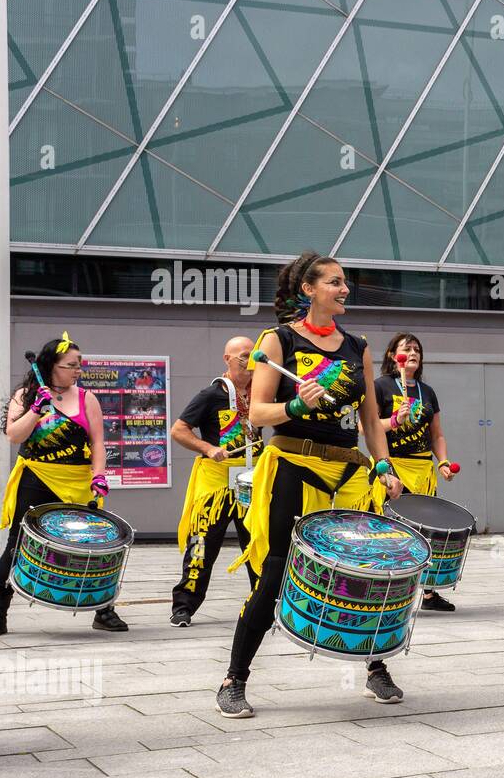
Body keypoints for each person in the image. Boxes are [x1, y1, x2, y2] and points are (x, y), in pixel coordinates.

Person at [216, 252, 404, 718]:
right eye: (335, 282)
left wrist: (385, 466)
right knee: (276, 572)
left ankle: (374, 666)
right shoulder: (276, 341)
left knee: (367, 571)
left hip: (349, 473)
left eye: (345, 283)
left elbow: (370, 419)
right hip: (293, 467)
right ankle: (234, 678)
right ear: (308, 289)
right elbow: (257, 413)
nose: (344, 290)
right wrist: (295, 409)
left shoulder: (356, 344)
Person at [0, 333, 128, 635]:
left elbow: (98, 442)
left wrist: (99, 474)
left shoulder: (87, 398)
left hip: (78, 479)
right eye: (71, 365)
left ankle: (103, 611)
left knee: (95, 544)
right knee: (16, 544)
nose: (78, 370)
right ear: (51, 366)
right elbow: (13, 436)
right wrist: (35, 410)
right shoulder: (26, 394)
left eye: (80, 365)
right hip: (37, 476)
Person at [169, 337, 260, 627]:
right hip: (216, 482)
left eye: (252, 356)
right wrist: (208, 449)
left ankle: (263, 603)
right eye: (242, 356)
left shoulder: (261, 394)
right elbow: (179, 430)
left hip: (251, 480)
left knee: (260, 544)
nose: (248, 362)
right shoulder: (211, 394)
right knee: (202, 544)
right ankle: (184, 605)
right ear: (227, 359)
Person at [373, 332, 457, 611]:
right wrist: (395, 420)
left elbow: (437, 435)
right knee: (392, 531)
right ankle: (386, 590)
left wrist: (443, 462)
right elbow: (367, 428)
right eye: (406, 348)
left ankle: (429, 594)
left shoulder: (427, 391)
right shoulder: (381, 387)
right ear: (391, 355)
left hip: (422, 468)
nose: (413, 353)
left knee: (426, 531)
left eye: (417, 350)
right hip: (392, 464)